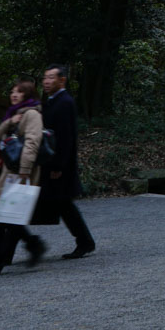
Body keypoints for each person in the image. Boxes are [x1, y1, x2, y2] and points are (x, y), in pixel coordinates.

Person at [0, 77, 47, 277]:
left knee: (2, 216)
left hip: (19, 173)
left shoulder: (32, 114)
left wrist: (24, 170)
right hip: (5, 171)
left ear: (28, 95)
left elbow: (32, 142)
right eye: (13, 91)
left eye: (19, 92)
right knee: (2, 216)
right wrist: (8, 122)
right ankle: (31, 246)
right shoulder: (14, 114)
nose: (14, 95)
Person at [39, 64, 95, 259]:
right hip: (53, 163)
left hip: (59, 165)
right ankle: (85, 241)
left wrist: (58, 165)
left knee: (64, 205)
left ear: (62, 80)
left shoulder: (64, 102)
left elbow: (65, 138)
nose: (46, 82)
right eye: (45, 78)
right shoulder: (54, 101)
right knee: (63, 205)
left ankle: (85, 242)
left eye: (51, 78)